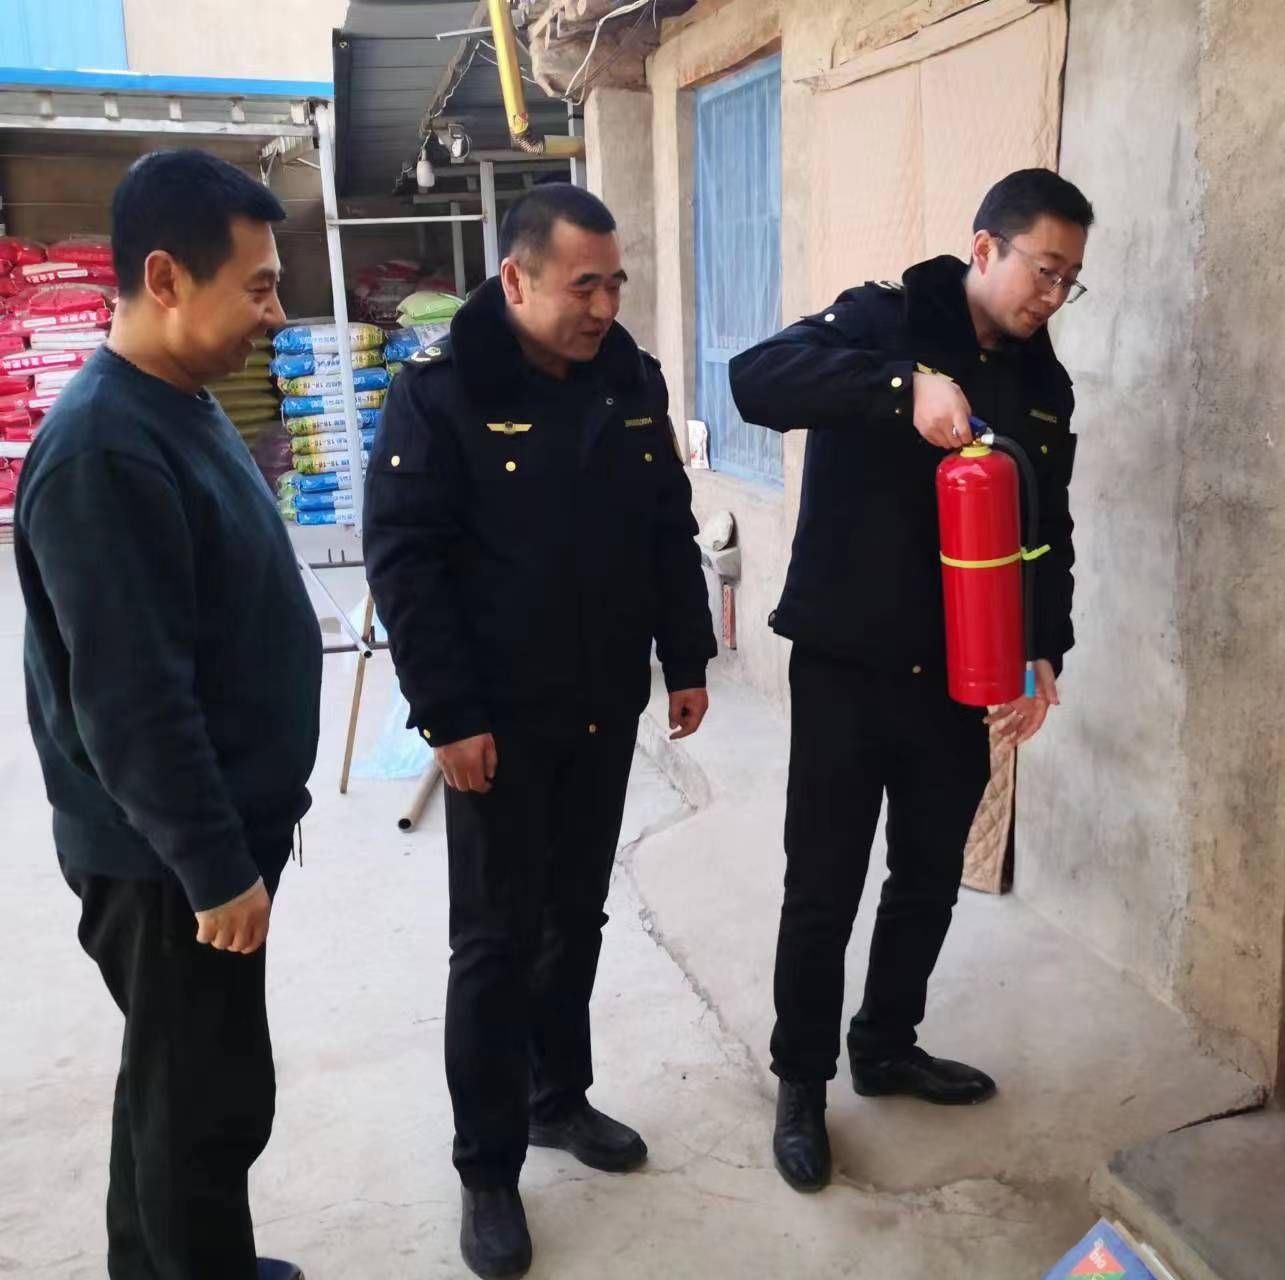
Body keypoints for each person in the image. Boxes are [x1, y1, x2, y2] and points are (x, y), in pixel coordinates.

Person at [364, 182, 715, 1280]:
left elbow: (666, 524)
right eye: (582, 286)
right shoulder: (440, 393)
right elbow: (405, 562)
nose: (604, 306)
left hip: (602, 703)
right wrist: (449, 715)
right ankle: (487, 1167)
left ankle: (557, 1098)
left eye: (615, 284)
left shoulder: (629, 380)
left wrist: (687, 656)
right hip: (499, 725)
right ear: (515, 280)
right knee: (494, 941)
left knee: (576, 914)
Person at [729, 168, 1093, 1192]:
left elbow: (1048, 528)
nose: (1053, 295)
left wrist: (1044, 644)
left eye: (1070, 279)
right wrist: (902, 389)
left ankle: (885, 1043)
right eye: (1042, 269)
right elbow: (758, 379)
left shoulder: (1042, 383)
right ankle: (801, 1081)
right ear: (984, 249)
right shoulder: (883, 319)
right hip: (848, 661)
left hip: (961, 675)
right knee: (824, 881)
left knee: (929, 871)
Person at [15, 150, 317, 1279]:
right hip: (164, 860)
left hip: (202, 836)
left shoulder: (176, 403)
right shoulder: (104, 449)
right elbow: (131, 700)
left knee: (172, 1085)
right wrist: (215, 869)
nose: (277, 312)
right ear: (164, 277)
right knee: (203, 1109)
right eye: (259, 285)